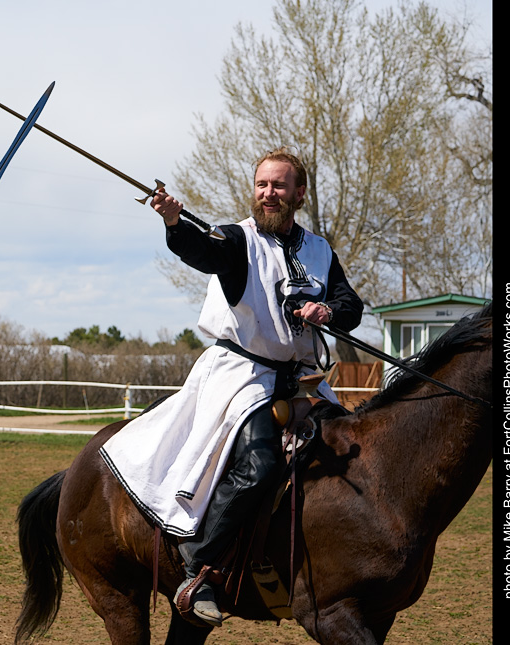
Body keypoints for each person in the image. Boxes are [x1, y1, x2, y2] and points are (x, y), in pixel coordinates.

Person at [100, 147, 362, 627]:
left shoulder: (320, 251)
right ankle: (197, 569)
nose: (268, 193)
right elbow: (203, 252)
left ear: (299, 194)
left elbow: (351, 305)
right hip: (244, 374)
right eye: (262, 184)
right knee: (262, 465)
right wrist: (175, 222)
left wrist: (328, 311)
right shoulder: (238, 239)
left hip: (301, 378)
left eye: (279, 185)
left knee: (350, 448)